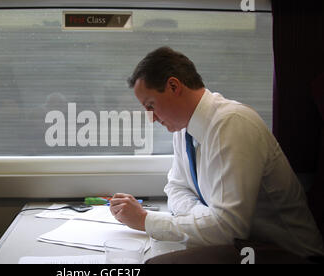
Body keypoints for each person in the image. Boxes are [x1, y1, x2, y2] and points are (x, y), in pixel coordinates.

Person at [109, 46, 324, 258]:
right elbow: (176, 187)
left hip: (289, 253)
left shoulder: (233, 125)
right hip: (244, 245)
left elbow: (227, 229)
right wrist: (205, 218)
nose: (151, 118)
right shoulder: (183, 129)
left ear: (174, 86)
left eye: (150, 106)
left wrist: (146, 221)